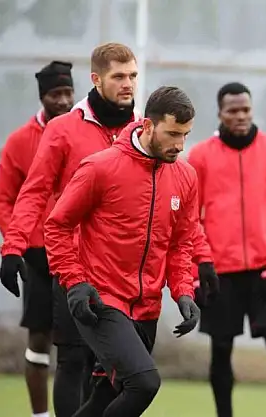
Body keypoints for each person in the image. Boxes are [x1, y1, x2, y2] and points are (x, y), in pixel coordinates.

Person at [0, 43, 141, 417]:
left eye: (132, 76)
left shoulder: (143, 130)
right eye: (119, 76)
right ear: (96, 79)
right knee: (72, 360)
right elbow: (33, 192)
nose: (128, 84)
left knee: (124, 373)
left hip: (125, 272)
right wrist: (13, 247)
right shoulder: (62, 130)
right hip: (73, 266)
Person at [43, 86, 202, 417]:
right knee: (144, 383)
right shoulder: (100, 167)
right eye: (173, 134)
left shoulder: (186, 177)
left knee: (104, 398)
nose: (180, 145)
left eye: (185, 135)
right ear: (148, 125)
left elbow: (180, 244)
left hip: (147, 307)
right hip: (101, 300)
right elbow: (57, 226)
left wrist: (184, 291)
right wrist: (74, 281)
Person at [187, 81, 266, 417]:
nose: (241, 116)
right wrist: (196, 273)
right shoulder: (200, 156)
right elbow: (190, 220)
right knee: (221, 349)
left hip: (265, 271)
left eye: (245, 109)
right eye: (233, 111)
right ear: (220, 114)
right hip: (220, 272)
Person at [0, 60, 74, 417]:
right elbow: (4, 199)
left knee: (82, 342)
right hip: (38, 255)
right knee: (40, 340)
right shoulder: (19, 141)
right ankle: (40, 415)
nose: (63, 100)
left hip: (80, 254)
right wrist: (20, 241)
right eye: (55, 94)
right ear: (42, 97)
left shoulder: (84, 133)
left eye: (68, 92)